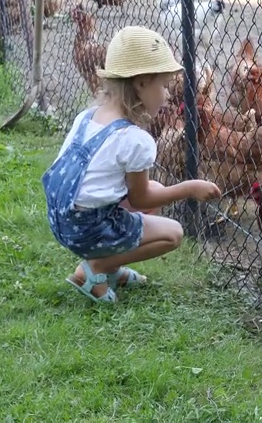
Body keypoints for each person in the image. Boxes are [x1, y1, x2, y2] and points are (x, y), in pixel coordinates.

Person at [44, 26, 222, 303]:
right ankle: (95, 268)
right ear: (141, 84)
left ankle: (110, 269)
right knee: (173, 233)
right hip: (86, 229)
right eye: (162, 86)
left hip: (62, 219)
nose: (166, 95)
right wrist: (189, 188)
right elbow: (140, 199)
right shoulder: (134, 140)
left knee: (155, 187)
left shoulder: (88, 118)